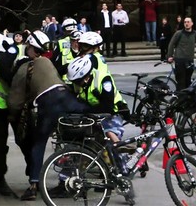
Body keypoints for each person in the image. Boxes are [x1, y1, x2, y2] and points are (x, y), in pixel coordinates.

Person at [7, 30, 90, 201]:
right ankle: (82, 177)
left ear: (30, 48)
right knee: (74, 138)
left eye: (28, 47)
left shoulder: (24, 68)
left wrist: (13, 115)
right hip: (67, 97)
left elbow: (14, 102)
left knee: (39, 142)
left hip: (49, 104)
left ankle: (33, 185)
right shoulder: (48, 62)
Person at [48, 55, 133, 200]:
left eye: (78, 81)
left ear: (86, 77)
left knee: (112, 144)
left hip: (111, 114)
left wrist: (84, 110)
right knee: (78, 147)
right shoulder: (78, 81)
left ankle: (126, 186)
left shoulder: (103, 80)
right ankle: (65, 183)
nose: (76, 84)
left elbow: (106, 106)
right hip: (92, 116)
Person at [0, 45, 20, 196]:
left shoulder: (23, 63)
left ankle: (34, 178)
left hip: (17, 107)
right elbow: (3, 78)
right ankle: (0, 177)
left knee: (25, 140)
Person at [167, 16, 196, 91]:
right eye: (185, 22)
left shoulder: (195, 34)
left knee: (188, 82)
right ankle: (180, 100)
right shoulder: (178, 33)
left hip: (189, 61)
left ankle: (187, 101)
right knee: (181, 82)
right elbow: (171, 44)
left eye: (188, 22)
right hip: (179, 61)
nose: (186, 23)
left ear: (192, 23)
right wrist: (169, 56)